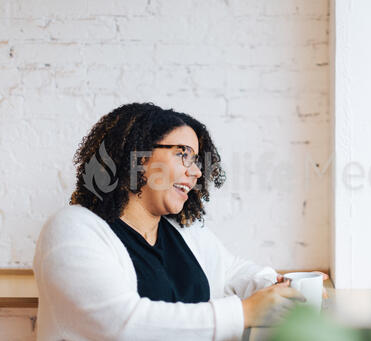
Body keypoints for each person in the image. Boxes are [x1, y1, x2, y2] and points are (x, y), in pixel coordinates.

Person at [33, 103, 327, 340]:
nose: (197, 172)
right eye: (183, 155)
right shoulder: (71, 230)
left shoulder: (183, 231)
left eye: (197, 160)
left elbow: (231, 271)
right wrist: (244, 313)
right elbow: (121, 325)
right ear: (138, 156)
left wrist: (278, 286)